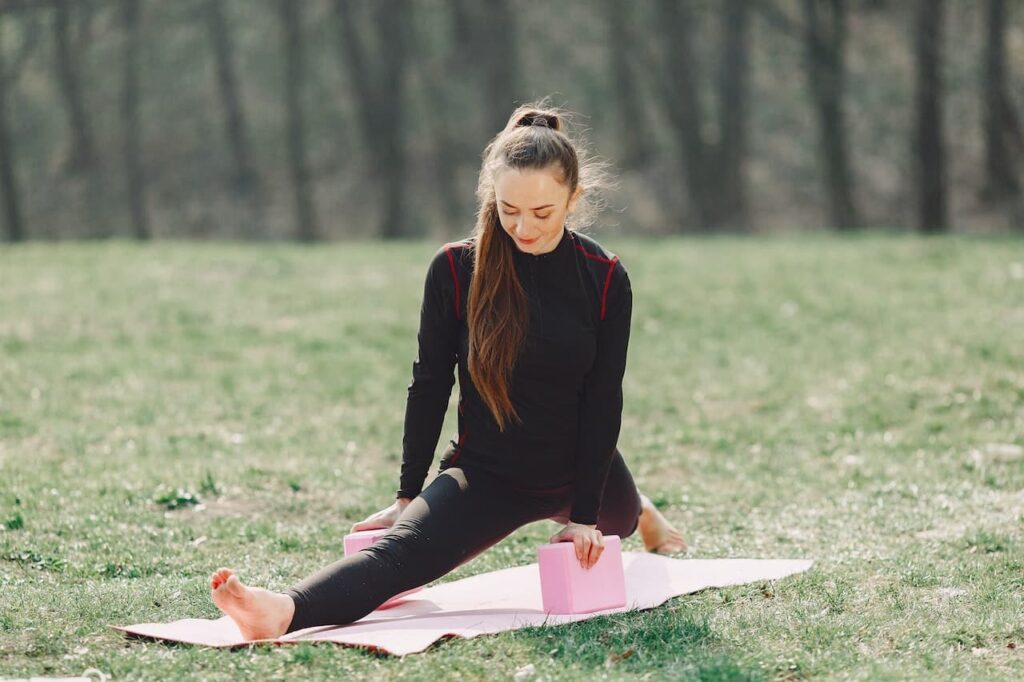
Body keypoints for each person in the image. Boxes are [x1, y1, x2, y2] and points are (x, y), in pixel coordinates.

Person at [209, 102, 686, 641]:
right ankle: (279, 611)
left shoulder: (604, 278)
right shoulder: (456, 270)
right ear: (491, 197)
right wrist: (407, 495)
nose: (523, 227)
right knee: (399, 556)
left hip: (579, 467)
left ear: (573, 200)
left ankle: (641, 511)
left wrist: (584, 514)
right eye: (508, 210)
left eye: (542, 213)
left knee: (616, 522)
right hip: (486, 473)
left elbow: (604, 398)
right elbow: (429, 383)